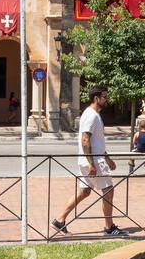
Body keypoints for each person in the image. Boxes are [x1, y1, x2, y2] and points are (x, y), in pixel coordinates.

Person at [53, 87, 124, 237]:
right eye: (105, 97)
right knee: (108, 191)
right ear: (96, 98)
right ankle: (109, 227)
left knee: (84, 191)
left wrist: (107, 158)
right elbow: (85, 140)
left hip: (93, 159)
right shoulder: (91, 115)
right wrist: (92, 163)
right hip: (94, 161)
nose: (107, 99)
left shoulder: (92, 115)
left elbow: (96, 141)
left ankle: (59, 220)